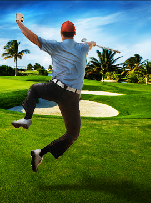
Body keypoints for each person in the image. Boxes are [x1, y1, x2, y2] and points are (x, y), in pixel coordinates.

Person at [12, 19, 96, 172]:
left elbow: (32, 37)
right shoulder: (83, 48)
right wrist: (92, 43)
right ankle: (41, 150)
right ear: (74, 33)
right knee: (72, 134)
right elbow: (89, 45)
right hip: (72, 96)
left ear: (61, 34)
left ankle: (31, 131)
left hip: (57, 88)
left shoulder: (56, 46)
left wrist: (19, 22)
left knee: (34, 89)